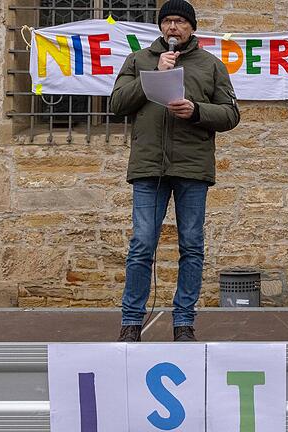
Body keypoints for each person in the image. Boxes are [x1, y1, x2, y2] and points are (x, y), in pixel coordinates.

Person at [111, 0, 240, 342]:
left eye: (180, 22)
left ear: (192, 28)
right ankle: (131, 322)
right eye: (167, 21)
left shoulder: (211, 65)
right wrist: (150, 78)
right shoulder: (138, 61)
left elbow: (230, 114)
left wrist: (197, 110)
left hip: (192, 167)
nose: (173, 28)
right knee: (141, 244)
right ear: (160, 27)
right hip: (148, 167)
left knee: (192, 245)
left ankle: (184, 321)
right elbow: (117, 104)